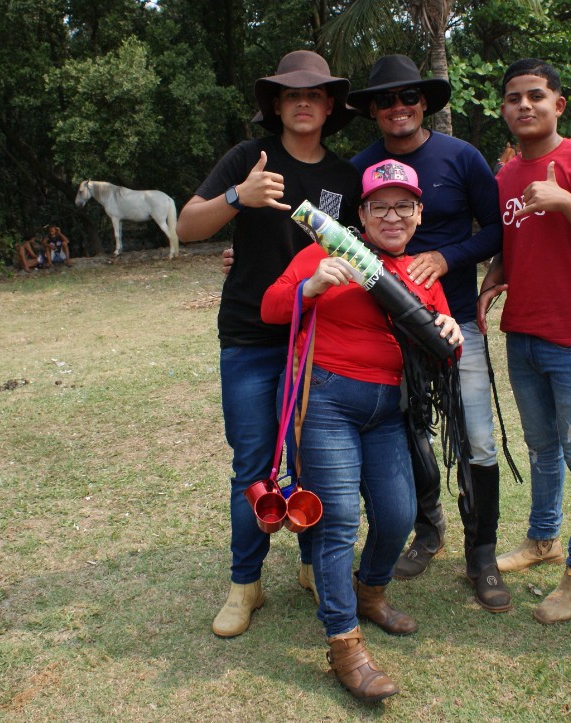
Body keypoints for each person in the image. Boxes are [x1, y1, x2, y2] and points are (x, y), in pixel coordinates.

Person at [175, 50, 361, 639]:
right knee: (253, 464)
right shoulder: (247, 159)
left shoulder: (346, 177)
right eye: (291, 94)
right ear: (276, 106)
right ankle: (245, 584)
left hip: (318, 339)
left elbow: (362, 252)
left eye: (314, 94)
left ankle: (311, 566)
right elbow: (186, 226)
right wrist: (239, 197)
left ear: (329, 106)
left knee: (312, 462)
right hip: (251, 337)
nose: (303, 102)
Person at [262, 159, 462, 702]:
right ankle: (344, 642)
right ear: (363, 214)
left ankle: (369, 593)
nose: (392, 217)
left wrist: (449, 329)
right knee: (340, 520)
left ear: (419, 214)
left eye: (403, 206)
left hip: (388, 410)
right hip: (326, 399)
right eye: (380, 207)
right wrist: (310, 286)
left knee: (398, 514)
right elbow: (271, 307)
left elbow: (443, 349)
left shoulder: (422, 273)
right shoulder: (324, 250)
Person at [347, 54, 510, 612]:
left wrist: (446, 256)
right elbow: (334, 233)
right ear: (373, 110)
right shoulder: (360, 167)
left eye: (409, 97)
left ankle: (481, 554)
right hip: (385, 326)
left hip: (454, 317)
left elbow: (497, 230)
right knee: (407, 431)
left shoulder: (461, 157)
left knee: (476, 436)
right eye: (386, 100)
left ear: (424, 103)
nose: (398, 107)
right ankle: (429, 528)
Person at [477, 59, 571, 625]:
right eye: (513, 97)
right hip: (523, 335)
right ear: (503, 110)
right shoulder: (504, 177)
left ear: (558, 104)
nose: (524, 105)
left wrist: (566, 200)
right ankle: (543, 539)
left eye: (536, 95)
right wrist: (492, 279)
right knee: (541, 449)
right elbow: (513, 244)